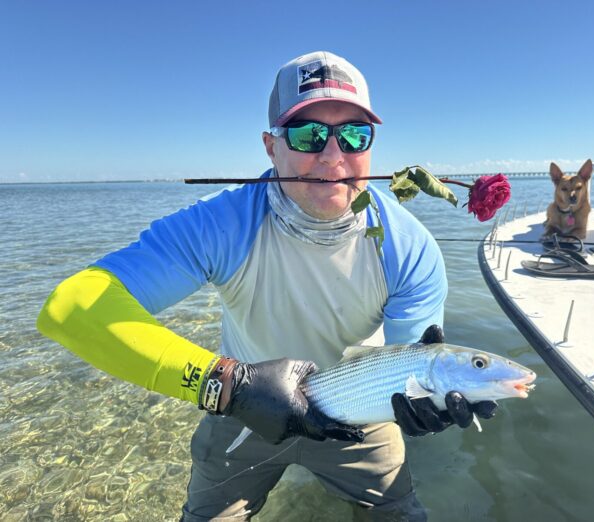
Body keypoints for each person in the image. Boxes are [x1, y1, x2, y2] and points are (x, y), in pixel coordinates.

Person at [37, 51, 497, 521]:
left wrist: (424, 404)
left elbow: (413, 366)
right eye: (308, 133)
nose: (334, 155)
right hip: (242, 408)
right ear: (270, 146)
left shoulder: (408, 246)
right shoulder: (221, 224)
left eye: (355, 135)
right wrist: (229, 386)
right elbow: (72, 307)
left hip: (361, 407)